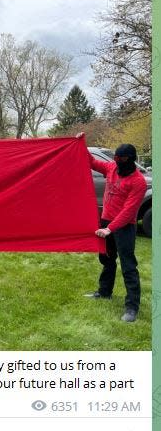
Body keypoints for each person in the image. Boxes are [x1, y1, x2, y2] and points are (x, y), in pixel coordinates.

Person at [77, 133, 147, 322]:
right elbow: (91, 162)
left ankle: (132, 307)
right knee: (106, 259)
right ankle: (104, 292)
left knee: (128, 266)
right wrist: (79, 144)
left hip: (124, 227)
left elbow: (128, 211)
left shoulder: (138, 182)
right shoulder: (112, 168)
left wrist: (110, 228)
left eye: (121, 159)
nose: (117, 162)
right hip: (106, 222)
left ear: (131, 160)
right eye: (116, 158)